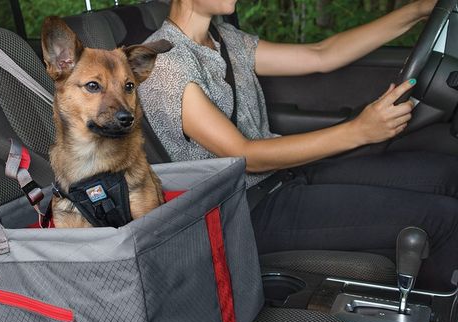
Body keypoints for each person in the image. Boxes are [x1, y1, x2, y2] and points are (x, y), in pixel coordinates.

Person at [139, 0, 458, 291]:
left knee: (447, 174)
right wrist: (359, 131)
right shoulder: (165, 66)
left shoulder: (225, 40)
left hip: (282, 177)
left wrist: (416, 11)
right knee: (443, 220)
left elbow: (321, 54)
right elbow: (244, 156)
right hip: (243, 213)